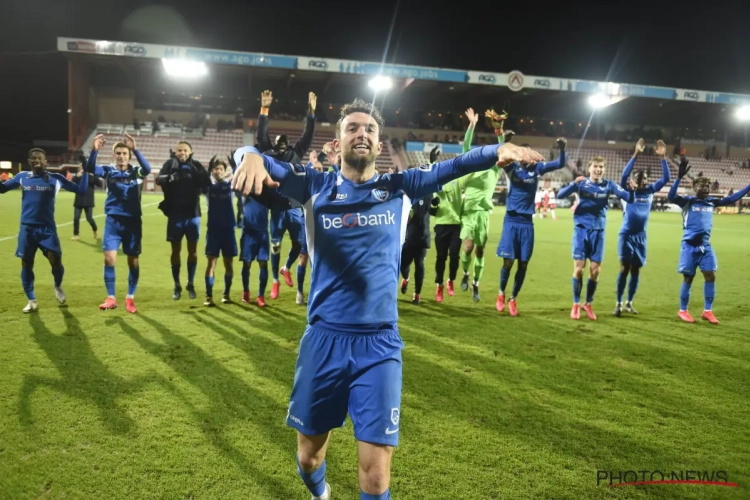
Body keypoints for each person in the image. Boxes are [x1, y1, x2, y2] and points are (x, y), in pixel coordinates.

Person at [231, 98, 541, 500]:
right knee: (308, 458)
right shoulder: (314, 186)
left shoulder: (400, 187)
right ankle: (320, 493)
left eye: (370, 130)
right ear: (339, 140)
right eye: (353, 128)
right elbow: (254, 159)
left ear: (379, 144)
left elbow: (456, 166)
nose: (362, 134)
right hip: (324, 339)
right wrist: (250, 154)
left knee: (376, 477)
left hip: (379, 345)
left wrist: (497, 150)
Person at [0, 148, 88, 312]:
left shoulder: (56, 178)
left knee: (55, 260)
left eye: (40, 158)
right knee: (27, 263)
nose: (36, 160)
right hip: (27, 229)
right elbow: (2, 188)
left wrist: (87, 173)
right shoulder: (22, 177)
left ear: (46, 162)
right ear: (29, 161)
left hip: (47, 229)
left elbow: (81, 190)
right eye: (33, 158)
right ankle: (31, 300)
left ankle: (57, 285)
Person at [667, 160, 750, 324]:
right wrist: (678, 178)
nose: (704, 189)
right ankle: (683, 311)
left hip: (705, 247)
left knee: (710, 276)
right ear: (694, 188)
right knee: (688, 279)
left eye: (707, 187)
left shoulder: (711, 202)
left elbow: (733, 198)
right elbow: (671, 196)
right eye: (701, 186)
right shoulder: (688, 202)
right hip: (689, 247)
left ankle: (707, 311)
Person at [496, 138, 568, 316]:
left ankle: (513, 299)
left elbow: (560, 163)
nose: (524, 156)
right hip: (512, 220)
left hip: (527, 221)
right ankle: (500, 294)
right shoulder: (512, 168)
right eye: (522, 153)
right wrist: (506, 143)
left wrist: (563, 148)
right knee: (508, 262)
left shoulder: (538, 169)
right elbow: (499, 159)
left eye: (527, 153)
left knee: (523, 264)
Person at [557, 157, 633, 320]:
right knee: (579, 269)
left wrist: (632, 190)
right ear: (589, 168)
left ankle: (588, 303)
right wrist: (573, 184)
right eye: (595, 166)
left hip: (598, 232)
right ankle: (576, 303)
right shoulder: (582, 184)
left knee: (595, 271)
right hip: (581, 230)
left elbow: (629, 198)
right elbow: (560, 195)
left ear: (604, 170)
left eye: (601, 167)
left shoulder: (609, 185)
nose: (598, 169)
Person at [87, 134, 151, 313]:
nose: (121, 156)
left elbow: (147, 168)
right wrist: (94, 150)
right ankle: (111, 298)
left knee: (133, 261)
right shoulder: (109, 171)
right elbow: (90, 167)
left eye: (124, 153)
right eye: (118, 153)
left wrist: (135, 149)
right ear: (114, 155)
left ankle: (130, 298)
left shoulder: (136, 172)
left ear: (128, 155)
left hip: (132, 223)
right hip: (113, 221)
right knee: (109, 259)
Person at [614, 139, 670, 317]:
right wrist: (636, 154)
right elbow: (623, 177)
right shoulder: (626, 192)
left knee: (636, 269)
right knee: (624, 268)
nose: (641, 180)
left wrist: (663, 158)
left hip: (641, 237)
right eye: (638, 178)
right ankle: (618, 303)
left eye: (644, 178)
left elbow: (666, 179)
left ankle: (629, 302)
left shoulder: (650, 192)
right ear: (633, 181)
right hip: (627, 235)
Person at [459, 108, 508, 301]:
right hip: (468, 212)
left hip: (483, 215)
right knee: (468, 248)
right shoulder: (470, 166)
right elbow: (465, 147)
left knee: (480, 250)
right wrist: (471, 125)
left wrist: (499, 131)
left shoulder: (494, 170)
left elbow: (503, 147)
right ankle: (465, 273)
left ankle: (476, 284)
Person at [156, 141, 210, 300]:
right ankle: (177, 284)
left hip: (193, 216)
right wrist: (169, 178)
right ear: (175, 152)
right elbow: (159, 179)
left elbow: (206, 186)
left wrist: (203, 176)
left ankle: (190, 283)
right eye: (179, 150)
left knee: (193, 251)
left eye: (185, 150)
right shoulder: (170, 164)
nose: (182, 153)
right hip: (175, 216)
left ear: (190, 152)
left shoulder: (196, 165)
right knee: (175, 251)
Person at [203, 156, 238, 306]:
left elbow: (239, 179)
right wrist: (207, 171)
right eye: (215, 169)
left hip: (228, 230)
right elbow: (203, 182)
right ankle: (208, 296)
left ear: (225, 172)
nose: (218, 171)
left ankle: (226, 294)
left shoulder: (230, 186)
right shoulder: (208, 188)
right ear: (212, 172)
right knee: (211, 263)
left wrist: (235, 167)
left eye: (221, 169)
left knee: (228, 263)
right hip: (213, 231)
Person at [429, 145, 462, 303]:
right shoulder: (438, 180)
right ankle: (439, 284)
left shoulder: (458, 180)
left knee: (454, 256)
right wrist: (432, 161)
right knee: (441, 257)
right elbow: (431, 174)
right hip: (441, 223)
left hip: (456, 224)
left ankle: (451, 280)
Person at [399, 182, 434, 304]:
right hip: (408, 237)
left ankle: (417, 295)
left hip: (422, 237)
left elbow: (434, 211)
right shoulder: (408, 196)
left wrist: (435, 206)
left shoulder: (429, 195)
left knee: (419, 265)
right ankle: (406, 278)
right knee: (403, 265)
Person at [72, 156, 102, 241]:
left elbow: (99, 184)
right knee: (76, 218)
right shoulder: (78, 176)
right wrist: (77, 176)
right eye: (80, 167)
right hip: (78, 200)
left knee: (89, 218)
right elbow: (71, 183)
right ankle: (76, 234)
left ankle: (95, 230)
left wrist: (93, 176)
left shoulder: (91, 176)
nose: (81, 168)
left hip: (88, 201)